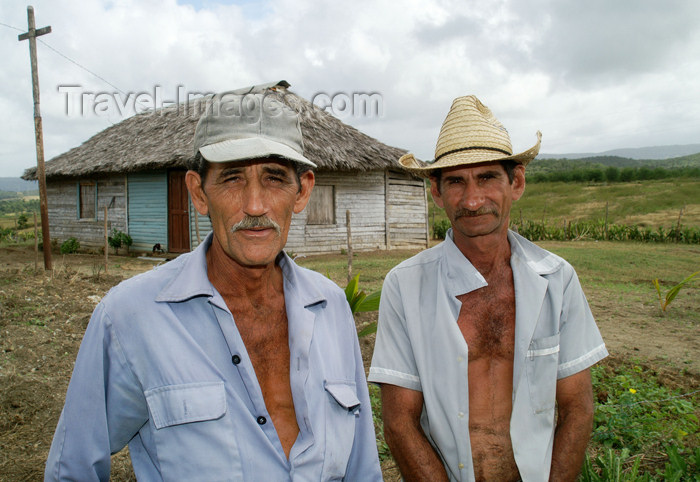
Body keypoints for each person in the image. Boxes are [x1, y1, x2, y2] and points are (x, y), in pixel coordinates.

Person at [45, 92, 382, 481]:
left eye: (274, 179)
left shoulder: (331, 306)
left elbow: (362, 470)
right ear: (199, 193)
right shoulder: (129, 317)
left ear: (302, 191)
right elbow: (72, 470)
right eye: (232, 178)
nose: (255, 206)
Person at [368, 95, 608, 482]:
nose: (473, 200)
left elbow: (577, 408)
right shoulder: (405, 285)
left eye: (487, 178)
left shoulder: (557, 279)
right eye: (456, 182)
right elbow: (400, 422)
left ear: (516, 182)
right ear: (436, 192)